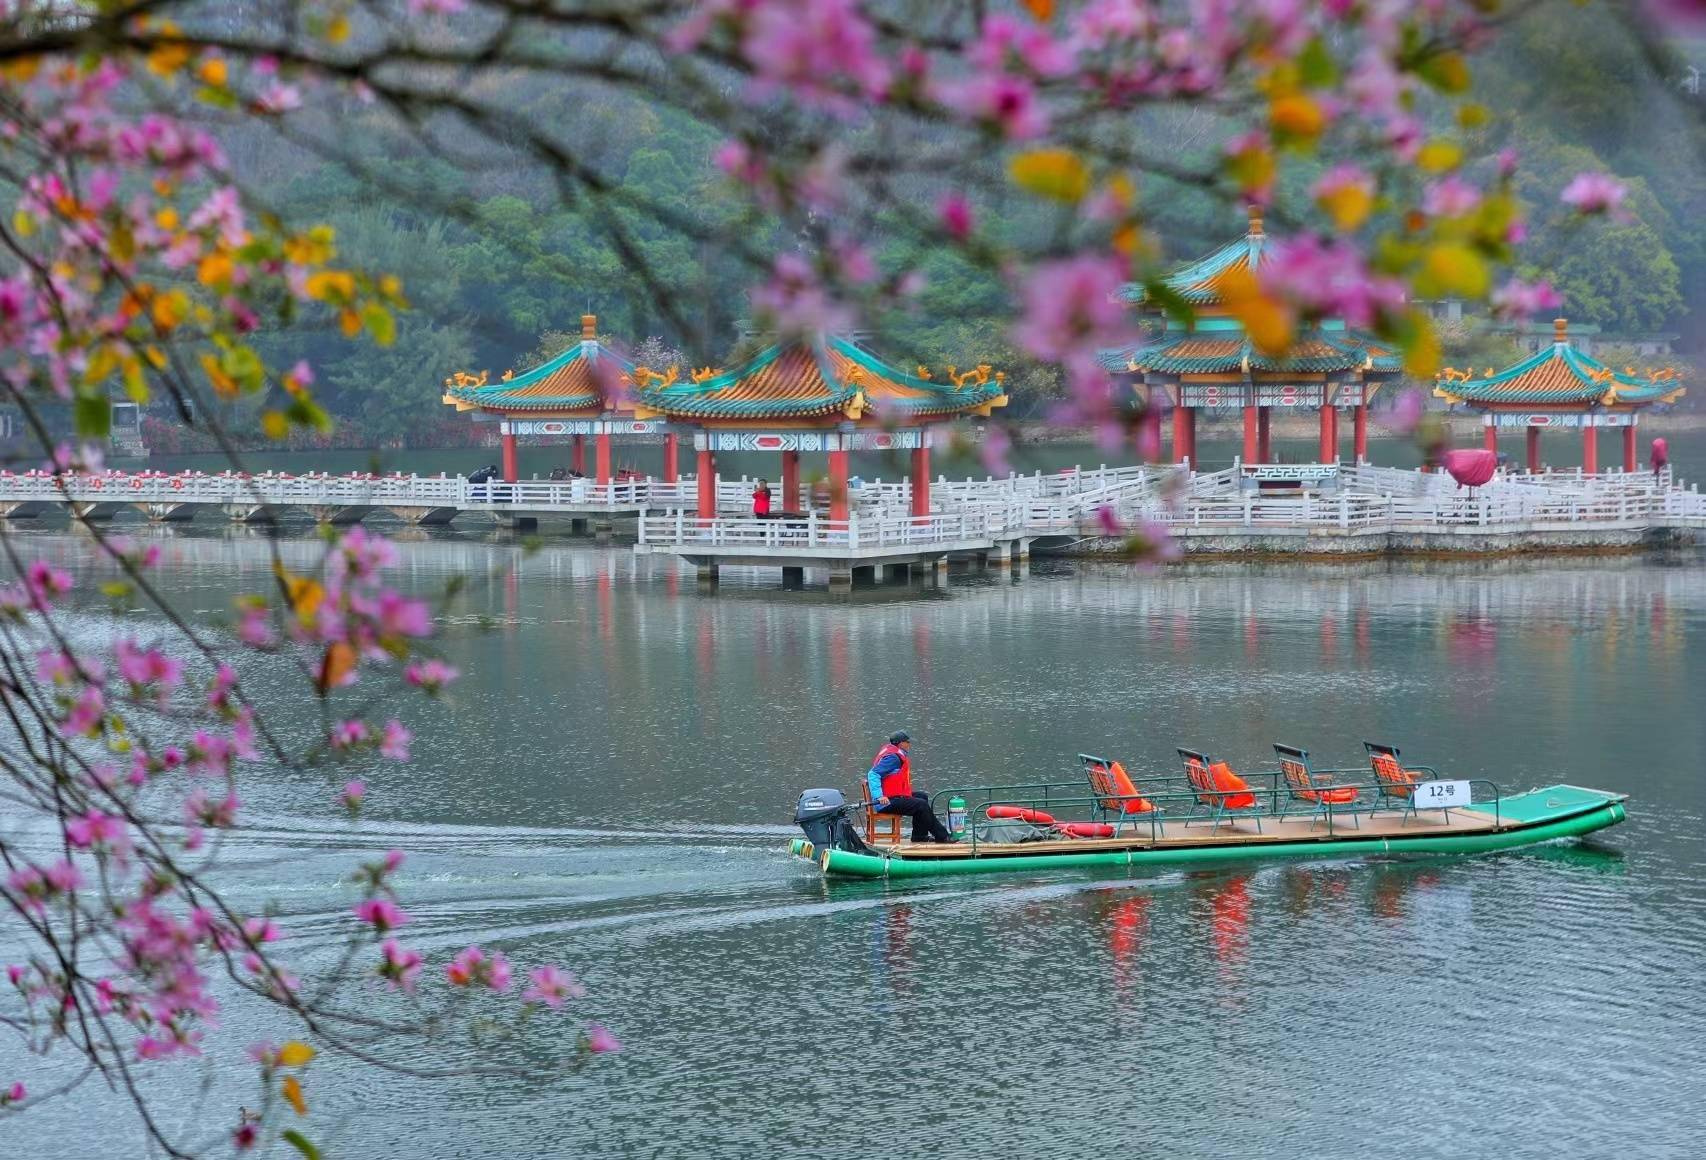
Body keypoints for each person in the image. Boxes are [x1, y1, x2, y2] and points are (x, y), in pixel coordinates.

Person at [867, 731, 952, 843]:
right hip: (885, 802)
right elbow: (873, 774)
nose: (909, 744)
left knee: (922, 797)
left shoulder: (893, 753)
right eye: (907, 742)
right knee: (921, 805)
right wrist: (879, 796)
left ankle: (919, 836)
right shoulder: (893, 758)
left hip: (894, 796)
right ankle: (942, 837)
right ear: (900, 744)